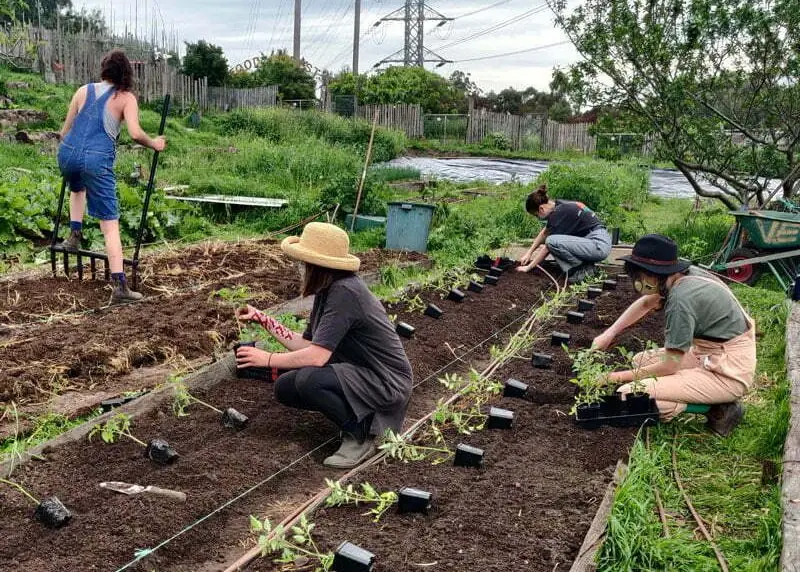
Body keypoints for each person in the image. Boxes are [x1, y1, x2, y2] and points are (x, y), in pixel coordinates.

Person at [235, 222, 414, 468]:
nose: (301, 268)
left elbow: (317, 357)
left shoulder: (345, 293)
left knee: (309, 380)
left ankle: (363, 432)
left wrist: (267, 359)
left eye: (303, 263)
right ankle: (355, 418)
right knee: (286, 387)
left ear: (317, 265)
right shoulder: (328, 291)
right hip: (360, 373)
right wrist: (263, 319)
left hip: (385, 382)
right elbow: (306, 344)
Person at [593, 234, 755, 436]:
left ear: (653, 273)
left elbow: (670, 365)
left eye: (639, 275)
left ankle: (717, 408)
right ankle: (696, 392)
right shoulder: (681, 275)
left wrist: (612, 378)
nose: (637, 282)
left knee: (628, 394)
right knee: (640, 360)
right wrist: (610, 333)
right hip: (709, 353)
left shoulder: (681, 300)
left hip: (727, 371)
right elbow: (645, 303)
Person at [57, 49, 166, 303]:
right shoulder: (125, 97)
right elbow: (136, 134)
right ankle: (120, 286)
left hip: (67, 154)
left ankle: (73, 236)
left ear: (104, 69)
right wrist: (156, 144)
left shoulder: (83, 90)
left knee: (77, 188)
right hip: (97, 160)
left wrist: (71, 152)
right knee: (110, 224)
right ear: (126, 73)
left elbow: (65, 129)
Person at [516, 184, 612, 283]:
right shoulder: (560, 205)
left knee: (551, 242)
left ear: (541, 209)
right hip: (597, 239)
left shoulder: (558, 215)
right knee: (553, 240)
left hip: (598, 245)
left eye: (536, 215)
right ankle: (584, 266)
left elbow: (548, 246)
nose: (538, 218)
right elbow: (545, 232)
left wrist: (529, 267)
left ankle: (582, 269)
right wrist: (529, 253)